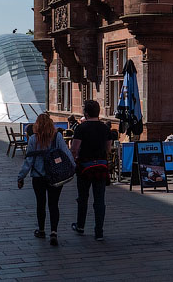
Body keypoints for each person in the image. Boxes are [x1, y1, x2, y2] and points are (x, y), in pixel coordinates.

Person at [18, 113, 73, 246]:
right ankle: (54, 232)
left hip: (38, 176)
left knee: (40, 204)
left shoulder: (33, 139)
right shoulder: (57, 137)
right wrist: (73, 167)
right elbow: (66, 153)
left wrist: (21, 176)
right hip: (55, 176)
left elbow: (29, 160)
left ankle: (41, 230)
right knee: (54, 204)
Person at [70, 99, 111, 241]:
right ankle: (99, 231)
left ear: (85, 113)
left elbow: (74, 149)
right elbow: (108, 148)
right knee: (100, 200)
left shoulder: (81, 128)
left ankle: (80, 226)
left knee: (83, 197)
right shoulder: (105, 128)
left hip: (84, 167)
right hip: (101, 167)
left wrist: (74, 159)